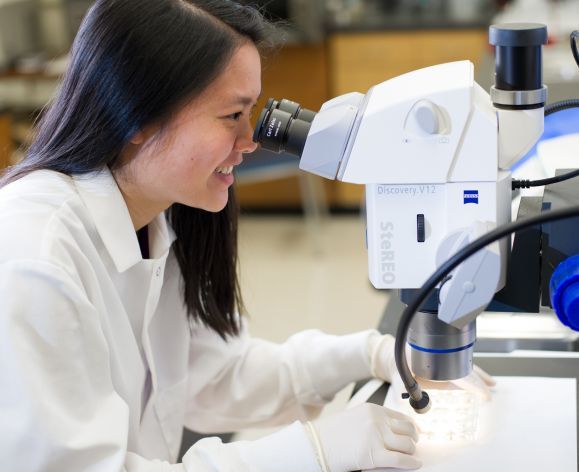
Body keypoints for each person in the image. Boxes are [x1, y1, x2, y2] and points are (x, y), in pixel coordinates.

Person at [0, 1, 494, 470]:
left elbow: (216, 377)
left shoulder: (154, 219)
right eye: (232, 116)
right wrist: (313, 452)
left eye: (251, 113)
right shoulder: (34, 256)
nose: (250, 142)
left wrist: (367, 353)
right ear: (138, 118)